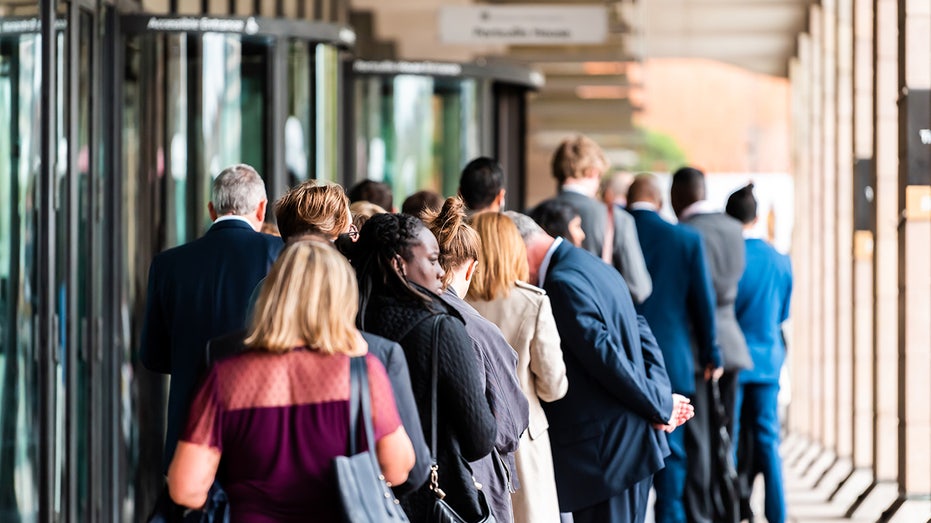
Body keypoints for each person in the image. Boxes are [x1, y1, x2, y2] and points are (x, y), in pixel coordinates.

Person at [167, 241, 416, 521]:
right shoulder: (362, 373)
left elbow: (186, 489)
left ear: (273, 297)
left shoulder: (227, 377)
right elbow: (398, 468)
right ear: (342, 300)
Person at [232, 179, 432, 496]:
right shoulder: (350, 297)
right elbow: (408, 466)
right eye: (349, 229)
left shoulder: (266, 291)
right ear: (335, 232)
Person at [504, 211, 693, 523]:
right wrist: (661, 399)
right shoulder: (589, 264)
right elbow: (641, 330)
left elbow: (607, 359)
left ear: (518, 248)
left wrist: (660, 406)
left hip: (607, 456)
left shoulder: (561, 284)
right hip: (626, 447)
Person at [348, 213, 497, 521]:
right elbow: (479, 438)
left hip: (354, 495)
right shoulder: (440, 329)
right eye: (432, 260)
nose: (442, 272)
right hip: (429, 498)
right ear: (398, 264)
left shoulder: (341, 322)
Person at [140, 164, 284, 468]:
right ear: (261, 209)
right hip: (259, 427)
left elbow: (153, 357)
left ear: (211, 210)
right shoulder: (281, 255)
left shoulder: (168, 265)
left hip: (189, 432)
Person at [423, 197, 530, 523]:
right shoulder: (477, 330)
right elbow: (509, 425)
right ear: (470, 267)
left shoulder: (403, 312)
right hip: (472, 481)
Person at [626, 174, 723, 523]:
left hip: (621, 362)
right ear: (661, 200)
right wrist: (712, 354)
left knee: (625, 457)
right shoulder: (685, 239)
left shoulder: (614, 234)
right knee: (674, 458)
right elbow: (703, 305)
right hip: (673, 362)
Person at [467, 212, 569, 523]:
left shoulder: (455, 301)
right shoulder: (533, 302)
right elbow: (553, 388)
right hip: (523, 440)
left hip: (470, 436)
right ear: (514, 249)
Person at [670, 166, 750, 523]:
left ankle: (702, 511)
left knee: (699, 436)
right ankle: (726, 505)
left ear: (677, 195)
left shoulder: (682, 234)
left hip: (696, 345)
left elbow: (690, 297)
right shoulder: (734, 229)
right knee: (726, 432)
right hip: (732, 341)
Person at [726, 184, 792, 523]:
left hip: (734, 363)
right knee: (768, 439)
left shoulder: (729, 257)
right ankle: (777, 514)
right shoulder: (779, 260)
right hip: (768, 361)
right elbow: (782, 315)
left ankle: (735, 509)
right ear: (755, 216)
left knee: (733, 438)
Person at [549, 135, 652, 303]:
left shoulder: (530, 216)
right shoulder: (617, 219)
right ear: (592, 171)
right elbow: (639, 288)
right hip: (595, 319)